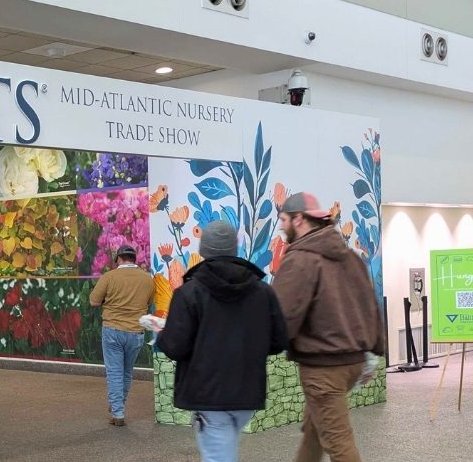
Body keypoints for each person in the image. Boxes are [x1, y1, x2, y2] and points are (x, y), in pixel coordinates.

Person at [155, 220, 289, 462]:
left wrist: (161, 334)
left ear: (203, 250)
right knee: (224, 452)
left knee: (218, 458)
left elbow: (175, 346)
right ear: (233, 249)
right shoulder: (263, 292)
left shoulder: (188, 293)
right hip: (247, 393)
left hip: (208, 395)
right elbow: (279, 340)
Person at [272, 192, 384, 462]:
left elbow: (282, 315)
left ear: (299, 219)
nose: (281, 226)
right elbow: (370, 304)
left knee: (338, 443)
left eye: (284, 219)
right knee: (314, 430)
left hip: (323, 369)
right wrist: (376, 350)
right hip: (352, 362)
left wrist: (263, 343)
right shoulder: (350, 256)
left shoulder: (299, 259)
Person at [89, 245, 154, 426]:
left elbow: (93, 301)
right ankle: (118, 404)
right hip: (135, 332)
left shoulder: (109, 277)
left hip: (113, 330)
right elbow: (150, 301)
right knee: (126, 373)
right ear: (135, 259)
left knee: (114, 372)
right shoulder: (147, 279)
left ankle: (118, 413)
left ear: (118, 259)